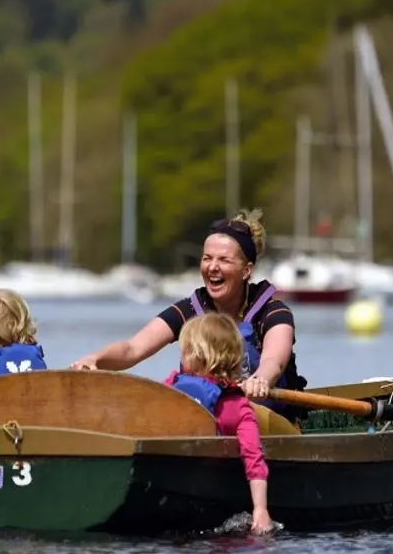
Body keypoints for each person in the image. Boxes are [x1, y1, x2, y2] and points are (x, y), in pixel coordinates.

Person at [69, 208, 308, 422]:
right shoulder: (191, 309)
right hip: (203, 421)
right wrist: (95, 359)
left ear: (246, 270)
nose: (212, 267)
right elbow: (133, 349)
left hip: (266, 422)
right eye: (207, 258)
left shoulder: (273, 312)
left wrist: (260, 380)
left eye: (224, 260)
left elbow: (273, 361)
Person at [167, 311, 273, 534]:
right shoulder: (239, 406)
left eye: (185, 351)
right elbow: (254, 458)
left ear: (199, 355)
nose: (181, 356)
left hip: (176, 477)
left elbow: (252, 455)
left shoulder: (172, 386)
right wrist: (260, 509)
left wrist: (261, 508)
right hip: (193, 479)